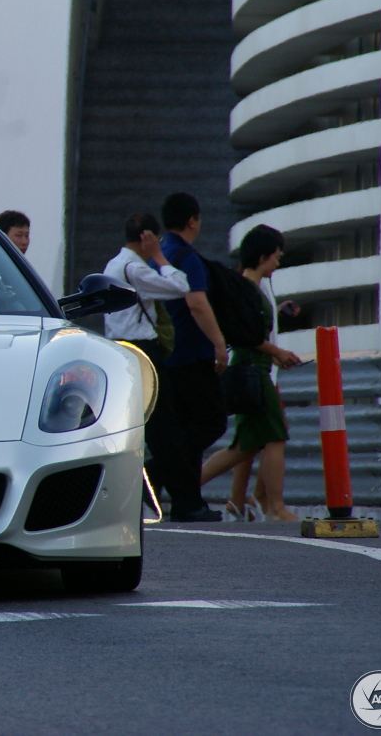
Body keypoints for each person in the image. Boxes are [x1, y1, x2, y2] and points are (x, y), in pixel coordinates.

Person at [200, 225, 302, 521]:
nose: (278, 262)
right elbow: (247, 335)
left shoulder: (251, 287)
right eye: (275, 256)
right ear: (262, 256)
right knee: (275, 436)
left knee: (244, 445)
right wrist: (278, 352)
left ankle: (189, 490)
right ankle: (275, 507)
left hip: (252, 369)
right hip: (254, 370)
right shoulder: (247, 288)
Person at [102, 214, 194, 517]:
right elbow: (180, 286)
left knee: (147, 428)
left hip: (119, 350)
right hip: (144, 352)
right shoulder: (135, 269)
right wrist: (158, 255)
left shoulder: (113, 266)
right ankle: (185, 503)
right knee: (165, 428)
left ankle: (153, 491)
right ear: (148, 237)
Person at [157, 192, 225, 522]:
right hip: (192, 354)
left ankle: (188, 503)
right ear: (192, 221)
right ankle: (157, 468)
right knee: (212, 421)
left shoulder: (159, 253)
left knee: (187, 426)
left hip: (167, 356)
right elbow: (197, 303)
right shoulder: (186, 257)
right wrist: (219, 344)